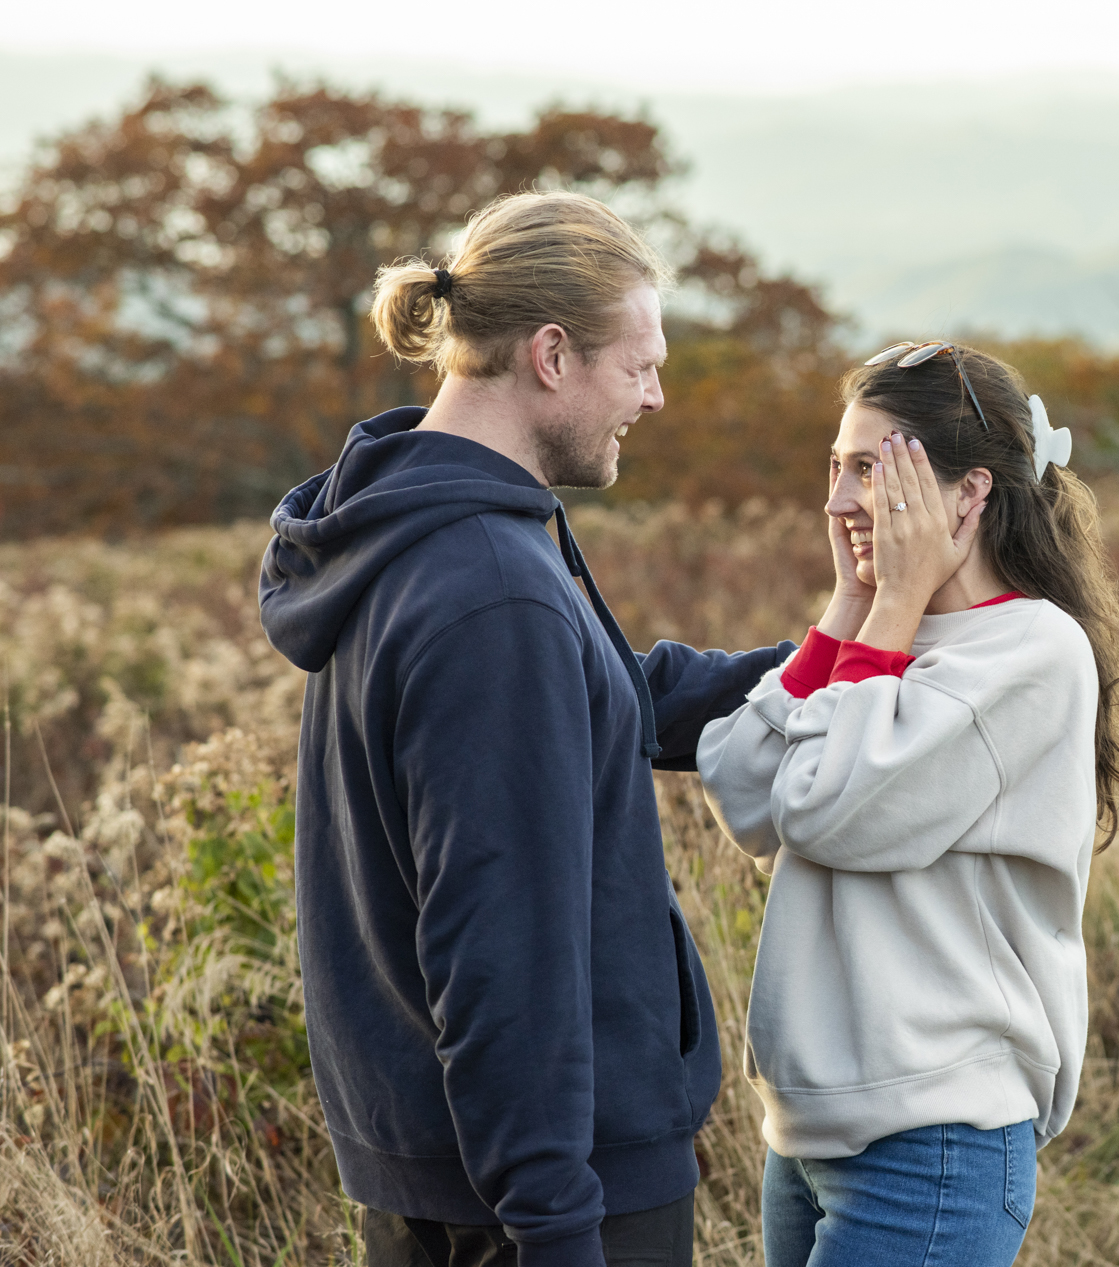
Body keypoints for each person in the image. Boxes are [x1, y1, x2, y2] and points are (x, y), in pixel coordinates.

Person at [258, 190, 793, 1267]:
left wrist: (847, 656)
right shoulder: (492, 594)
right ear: (551, 354)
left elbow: (609, 702)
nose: (654, 396)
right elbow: (500, 952)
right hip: (546, 1199)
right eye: (638, 364)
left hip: (455, 1179)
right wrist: (555, 1226)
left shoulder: (423, 536)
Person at [696, 341, 1119, 1266]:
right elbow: (744, 791)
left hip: (935, 1139)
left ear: (969, 495)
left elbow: (831, 810)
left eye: (869, 468)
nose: (836, 501)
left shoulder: (1030, 652)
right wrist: (848, 608)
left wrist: (891, 610)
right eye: (836, 467)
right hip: (809, 1136)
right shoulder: (886, 634)